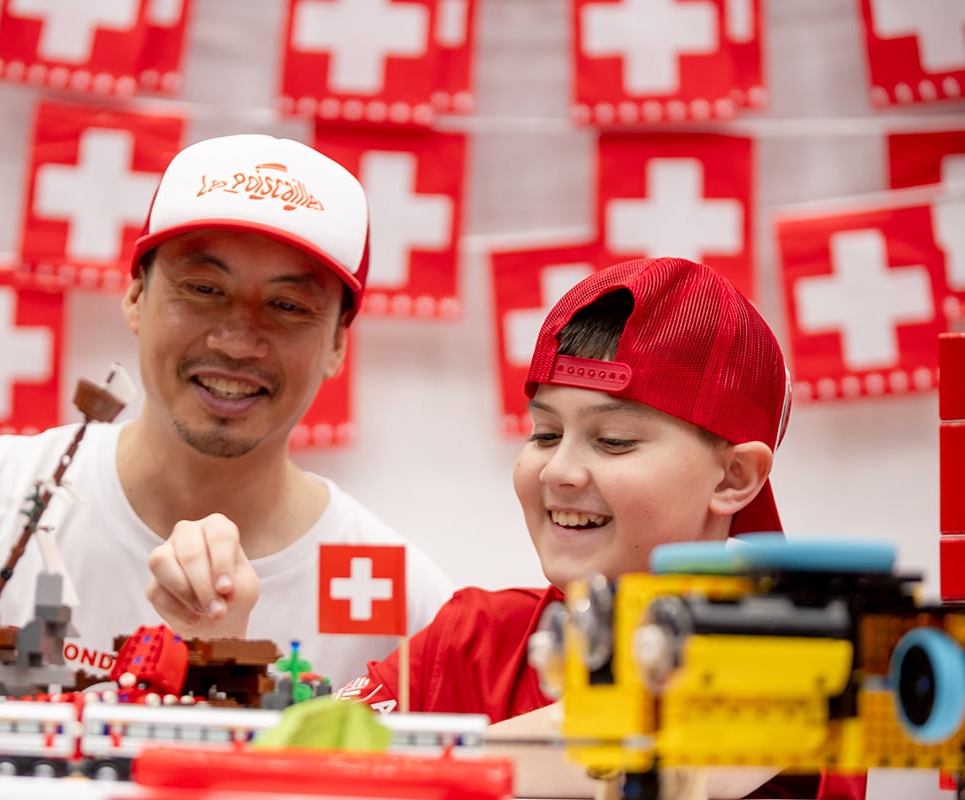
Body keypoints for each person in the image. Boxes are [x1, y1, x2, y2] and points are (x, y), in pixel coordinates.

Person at [0, 133, 455, 688]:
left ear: (338, 344)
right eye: (204, 289)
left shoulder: (397, 598)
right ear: (135, 295)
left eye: (289, 306)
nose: (237, 341)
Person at [335, 256, 812, 798]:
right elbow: (300, 770)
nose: (559, 471)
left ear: (734, 477)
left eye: (614, 440)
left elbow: (656, 740)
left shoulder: (800, 651)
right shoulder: (469, 641)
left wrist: (414, 769)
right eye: (543, 434)